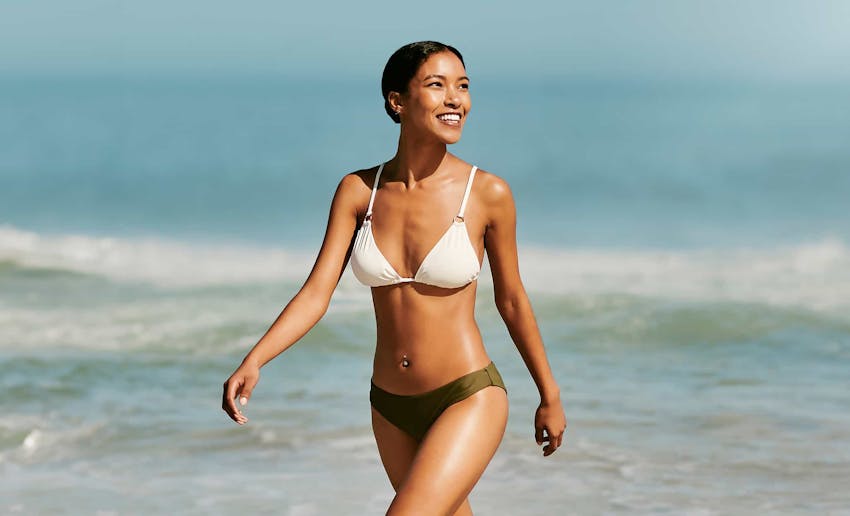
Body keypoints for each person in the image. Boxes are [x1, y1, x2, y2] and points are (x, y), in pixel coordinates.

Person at [222, 41, 566, 515]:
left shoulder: (487, 194)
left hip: (467, 395)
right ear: (397, 101)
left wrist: (550, 394)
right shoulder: (358, 191)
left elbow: (512, 302)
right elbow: (316, 293)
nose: (455, 99)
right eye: (437, 85)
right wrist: (255, 358)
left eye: (463, 86)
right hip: (390, 406)